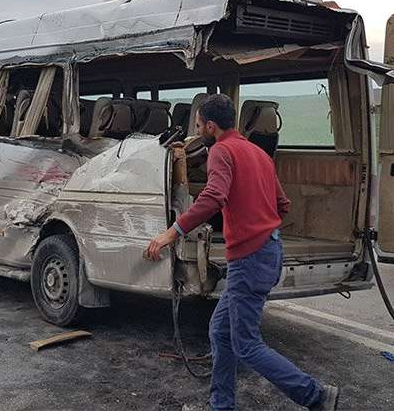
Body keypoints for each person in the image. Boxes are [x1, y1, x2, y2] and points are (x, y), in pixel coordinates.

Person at [144, 94, 339, 411]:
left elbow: (212, 197)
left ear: (210, 126)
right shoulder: (258, 153)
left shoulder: (221, 150)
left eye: (197, 126)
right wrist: (254, 214)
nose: (196, 132)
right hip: (269, 251)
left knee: (246, 344)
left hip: (250, 260)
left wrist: (172, 232)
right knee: (220, 332)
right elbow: (282, 203)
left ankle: (315, 395)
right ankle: (221, 406)